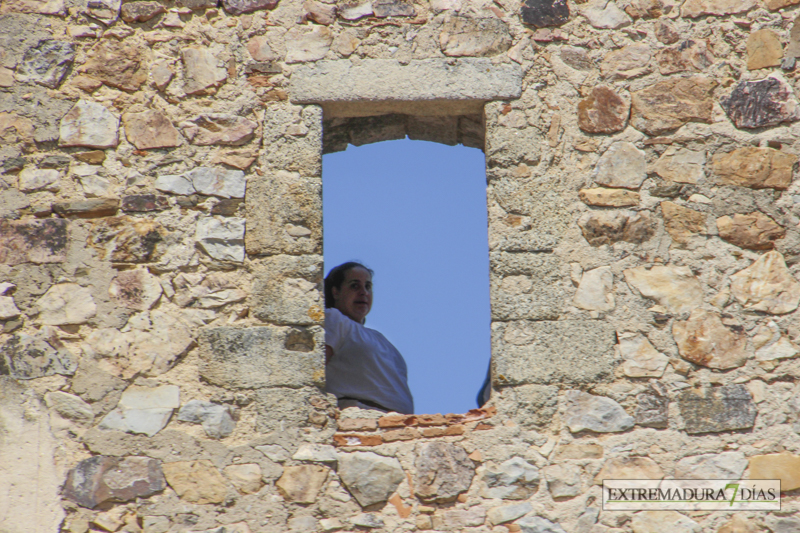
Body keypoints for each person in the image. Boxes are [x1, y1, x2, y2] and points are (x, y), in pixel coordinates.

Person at [324, 261, 414, 414]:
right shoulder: (335, 319)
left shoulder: (381, 340)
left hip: (396, 427)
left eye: (368, 286)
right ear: (335, 292)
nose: (363, 292)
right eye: (354, 286)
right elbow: (315, 368)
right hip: (359, 418)